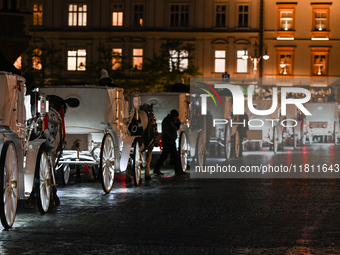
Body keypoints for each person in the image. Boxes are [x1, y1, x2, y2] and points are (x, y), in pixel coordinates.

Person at [153, 109, 186, 175]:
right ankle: (176, 170)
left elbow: (175, 128)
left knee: (171, 156)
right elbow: (167, 131)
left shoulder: (170, 120)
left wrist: (178, 123)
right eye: (177, 117)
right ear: (174, 116)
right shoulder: (168, 121)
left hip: (170, 141)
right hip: (168, 141)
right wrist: (170, 138)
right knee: (167, 156)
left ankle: (177, 170)